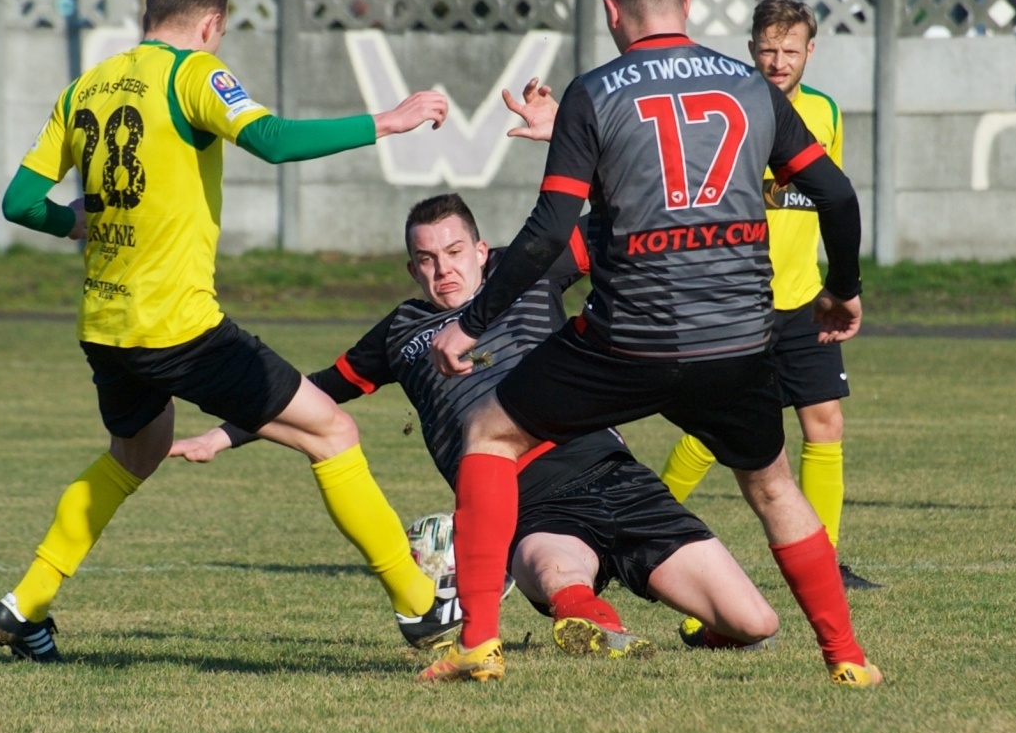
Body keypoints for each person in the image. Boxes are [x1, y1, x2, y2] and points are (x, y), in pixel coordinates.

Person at [424, 0, 883, 687]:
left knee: (489, 432)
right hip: (738, 339)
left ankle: (479, 645)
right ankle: (848, 659)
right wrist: (846, 285)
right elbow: (835, 192)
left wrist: (471, 324)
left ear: (611, 11)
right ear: (688, 4)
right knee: (773, 486)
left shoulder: (594, 92)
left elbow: (548, 232)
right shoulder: (752, 87)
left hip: (627, 341)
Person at [0, 0, 449, 662]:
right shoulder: (194, 74)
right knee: (333, 431)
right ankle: (419, 605)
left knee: (135, 454)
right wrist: (390, 120)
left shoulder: (86, 86)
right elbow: (273, 141)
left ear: (148, 15)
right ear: (211, 24)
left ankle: (24, 605)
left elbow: (19, 202)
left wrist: (71, 221)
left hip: (106, 327)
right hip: (180, 328)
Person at [169, 193, 781, 663]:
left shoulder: (527, 269)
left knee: (757, 623)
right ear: (412, 268)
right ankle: (591, 620)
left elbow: (624, 218)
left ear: (482, 250)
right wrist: (221, 435)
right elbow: (317, 392)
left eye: (455, 252)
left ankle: (707, 628)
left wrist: (564, 140)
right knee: (554, 569)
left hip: (610, 470)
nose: (443, 270)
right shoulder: (399, 332)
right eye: (427, 259)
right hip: (520, 496)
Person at [657, 0, 881, 591]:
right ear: (750, 49)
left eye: (790, 51)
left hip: (805, 299)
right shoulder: (728, 110)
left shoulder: (826, 113)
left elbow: (833, 201)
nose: (778, 62)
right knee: (713, 431)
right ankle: (636, 528)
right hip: (737, 299)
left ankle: (826, 560)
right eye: (767, 50)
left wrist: (839, 283)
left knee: (825, 421)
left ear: (811, 51)